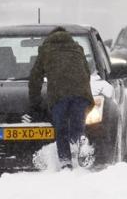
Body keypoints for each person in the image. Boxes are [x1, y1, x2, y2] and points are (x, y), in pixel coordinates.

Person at [28, 27, 94, 169]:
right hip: (80, 93)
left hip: (59, 95)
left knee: (61, 129)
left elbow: (35, 78)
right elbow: (87, 72)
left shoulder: (46, 50)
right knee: (77, 125)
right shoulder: (77, 48)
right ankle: (80, 140)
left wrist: (35, 102)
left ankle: (65, 163)